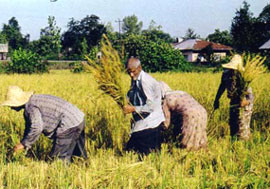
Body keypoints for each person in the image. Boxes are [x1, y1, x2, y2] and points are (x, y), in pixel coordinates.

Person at [1, 86, 87, 162]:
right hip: (78, 118)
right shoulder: (34, 100)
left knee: (58, 160)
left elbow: (36, 128)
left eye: (11, 104)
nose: (11, 108)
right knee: (78, 155)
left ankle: (62, 177)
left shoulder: (30, 106)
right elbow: (29, 128)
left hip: (68, 124)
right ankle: (84, 170)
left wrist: (23, 144)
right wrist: (24, 144)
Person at [123, 57, 165, 155]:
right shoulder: (135, 78)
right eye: (128, 72)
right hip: (143, 122)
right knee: (134, 152)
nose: (131, 75)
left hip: (150, 123)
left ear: (140, 68)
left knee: (142, 154)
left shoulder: (146, 81)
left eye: (133, 71)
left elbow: (151, 107)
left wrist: (133, 109)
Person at [213, 54, 254, 140]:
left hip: (245, 103)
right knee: (233, 123)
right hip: (233, 101)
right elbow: (222, 87)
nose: (233, 71)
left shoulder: (244, 75)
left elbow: (249, 95)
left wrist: (245, 102)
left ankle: (244, 143)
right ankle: (233, 142)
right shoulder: (226, 74)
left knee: (242, 124)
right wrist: (217, 99)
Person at [160, 81, 208, 150]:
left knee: (187, 139)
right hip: (202, 111)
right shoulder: (180, 92)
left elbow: (166, 123)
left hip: (189, 114)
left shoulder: (166, 99)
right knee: (199, 135)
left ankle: (187, 155)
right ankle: (200, 154)